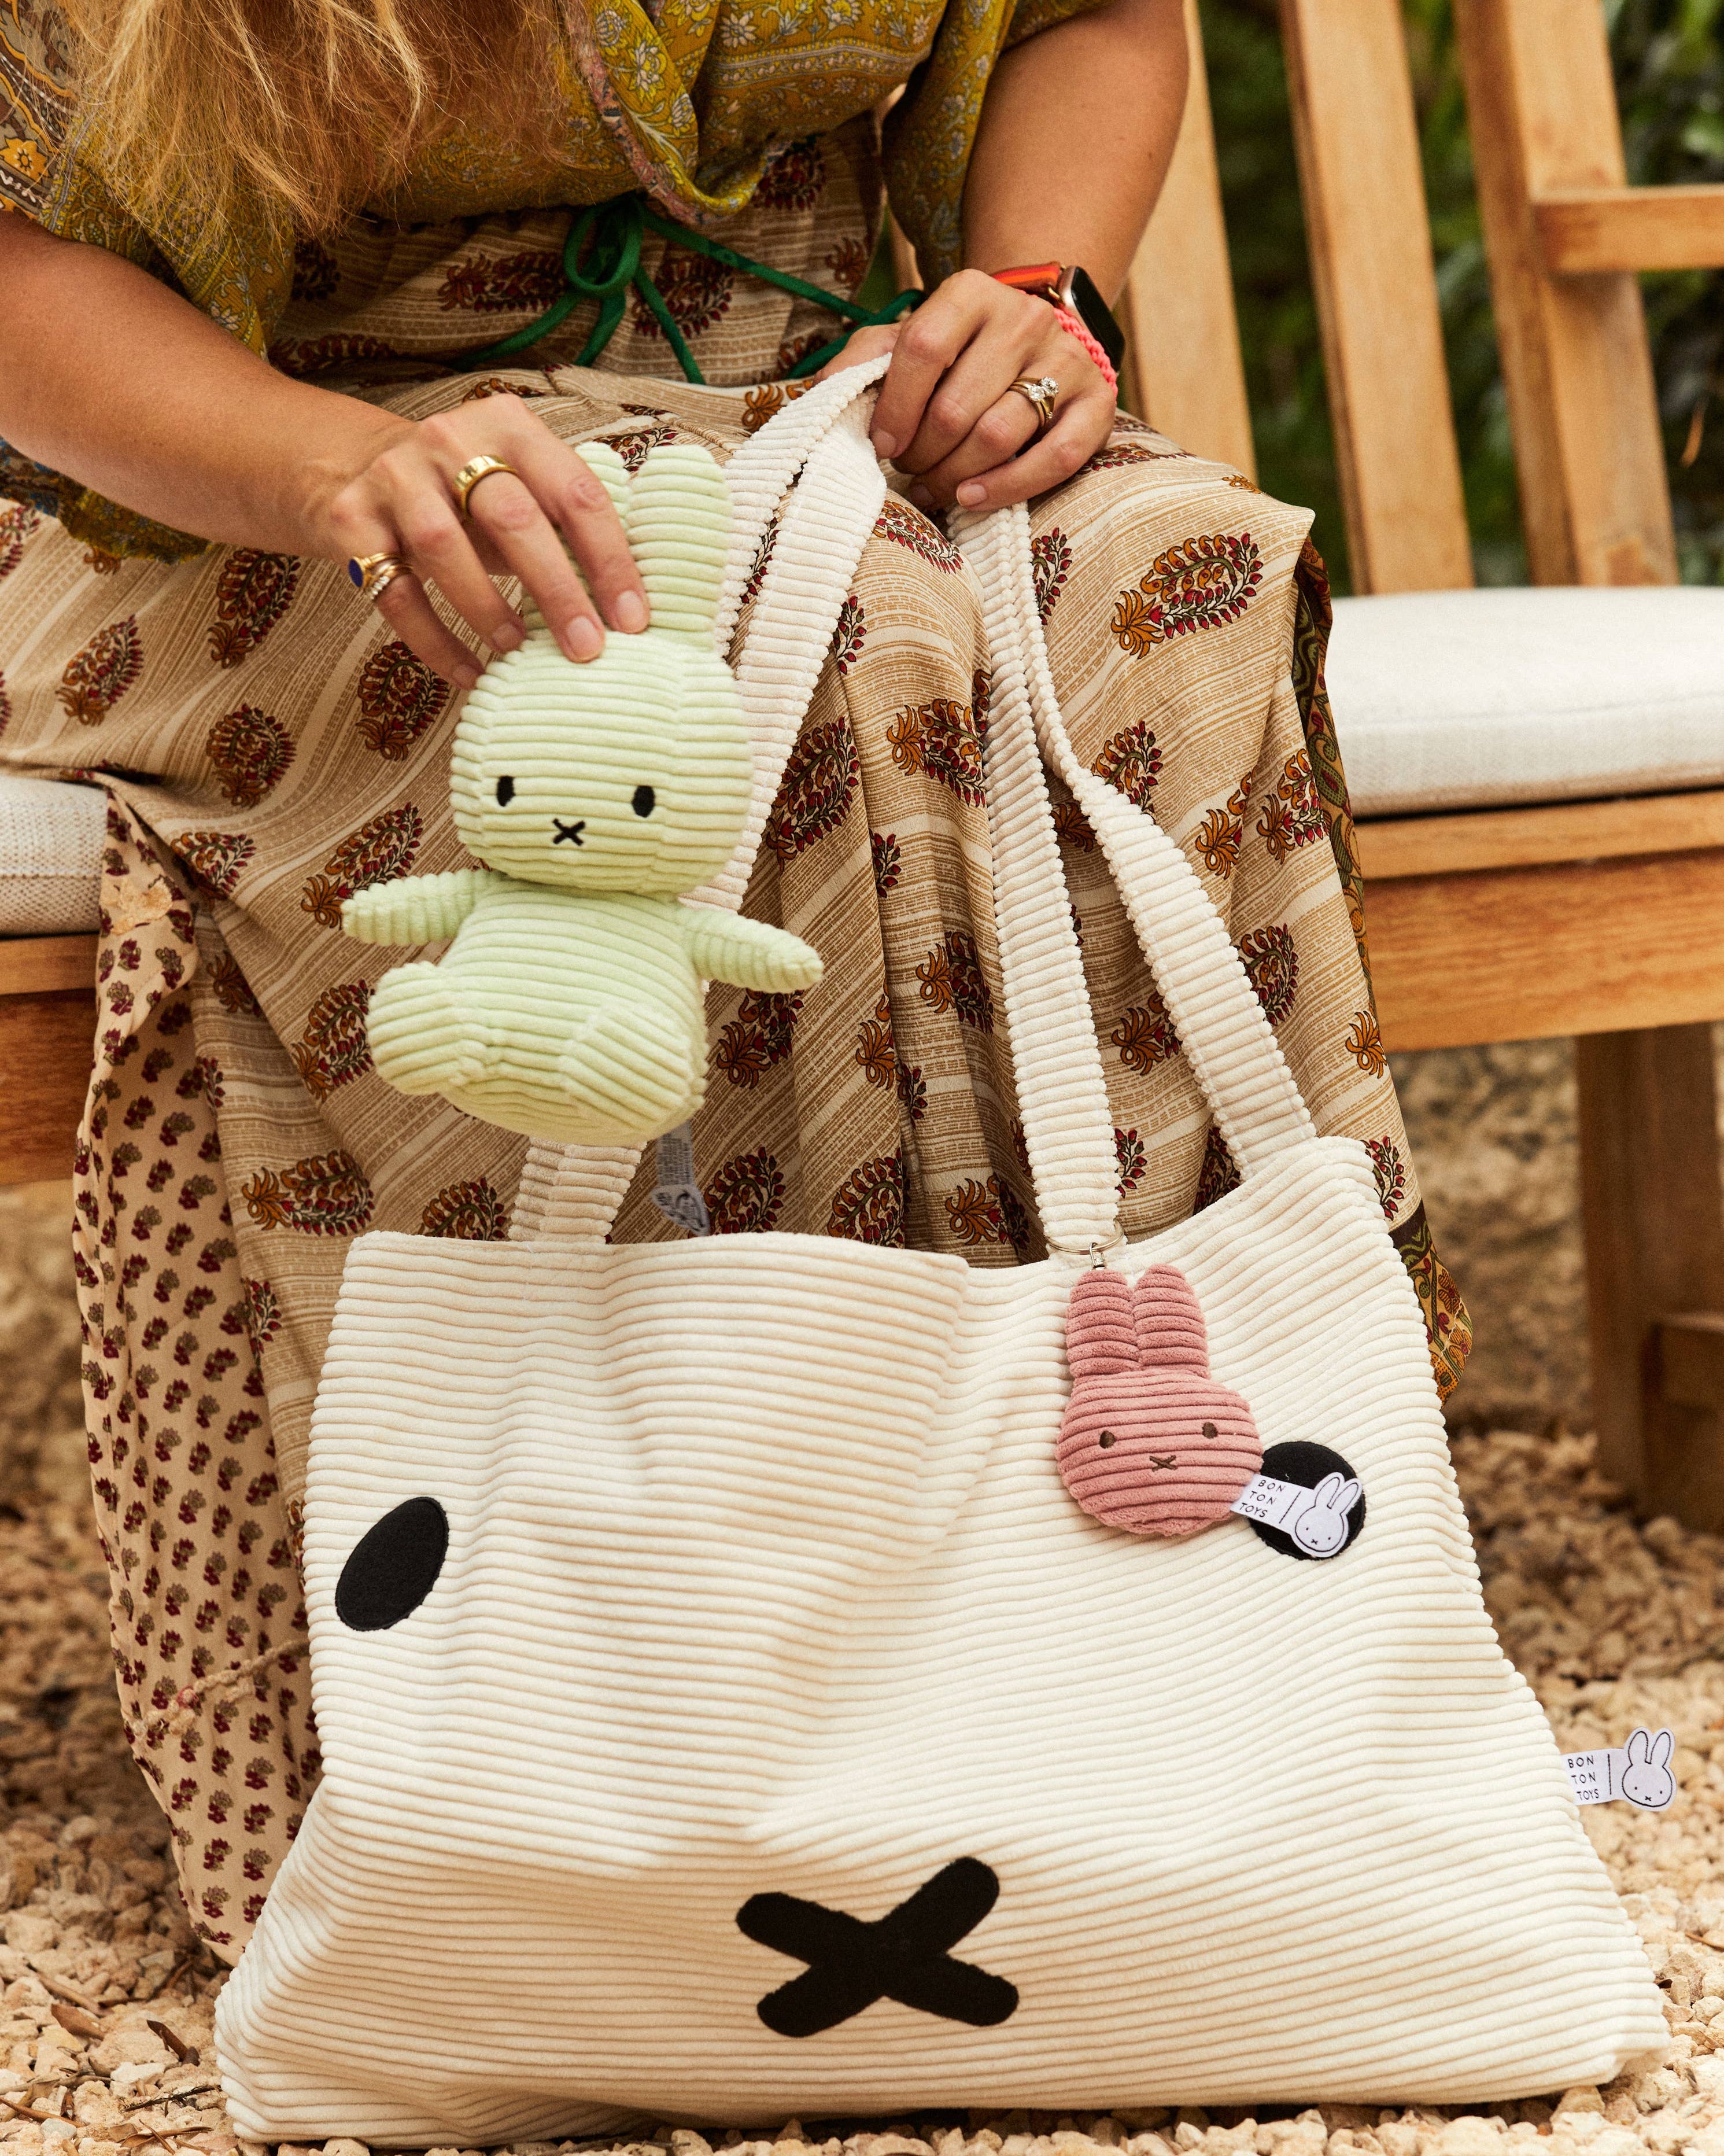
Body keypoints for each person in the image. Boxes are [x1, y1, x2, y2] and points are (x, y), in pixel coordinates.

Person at [0, 0, 1467, 1959]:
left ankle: (1212, 1682)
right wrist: (340, 468)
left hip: (833, 416)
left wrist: (1031, 297)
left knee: (1168, 573)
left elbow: (1094, 14)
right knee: (692, 662)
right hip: (283, 475)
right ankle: (647, 1758)